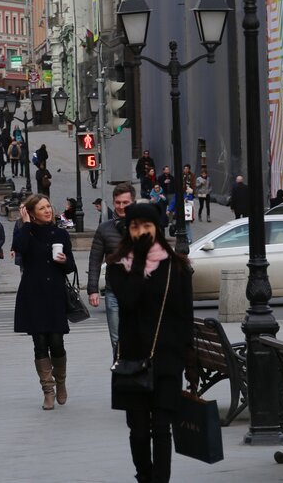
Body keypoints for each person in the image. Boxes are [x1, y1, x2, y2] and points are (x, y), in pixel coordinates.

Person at [106, 203, 194, 483]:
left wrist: (191, 359)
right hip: (133, 359)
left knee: (161, 428)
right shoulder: (118, 267)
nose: (141, 232)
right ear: (127, 230)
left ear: (157, 228)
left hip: (167, 359)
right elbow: (129, 301)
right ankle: (144, 476)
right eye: (135, 227)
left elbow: (185, 314)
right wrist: (140, 261)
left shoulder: (177, 267)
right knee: (139, 430)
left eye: (146, 226)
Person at [12, 194, 77, 410]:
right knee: (39, 343)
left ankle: (61, 382)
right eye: (42, 208)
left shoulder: (60, 233)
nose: (48, 211)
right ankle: (47, 390)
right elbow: (20, 249)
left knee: (57, 342)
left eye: (48, 206)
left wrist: (65, 260)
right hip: (33, 293)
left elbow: (71, 267)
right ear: (31, 212)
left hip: (55, 293)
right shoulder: (25, 232)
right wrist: (26, 225)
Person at [87, 183, 135, 353]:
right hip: (113, 290)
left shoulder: (142, 226)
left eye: (125, 203)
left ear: (133, 203)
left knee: (138, 336)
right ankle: (121, 372)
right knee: (117, 339)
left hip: (139, 290)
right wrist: (92, 289)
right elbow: (94, 260)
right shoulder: (104, 228)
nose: (121, 207)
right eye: (118, 203)